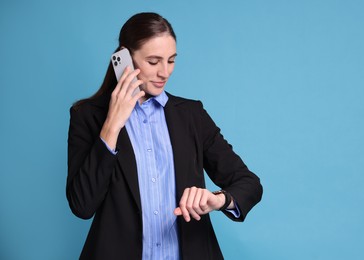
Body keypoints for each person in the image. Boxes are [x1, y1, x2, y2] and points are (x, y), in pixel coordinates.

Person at [67, 12, 263, 260]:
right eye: (153, 61)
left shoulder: (192, 115)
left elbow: (249, 183)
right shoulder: (88, 116)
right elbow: (82, 205)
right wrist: (112, 125)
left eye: (171, 60)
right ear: (124, 58)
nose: (164, 72)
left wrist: (217, 200)